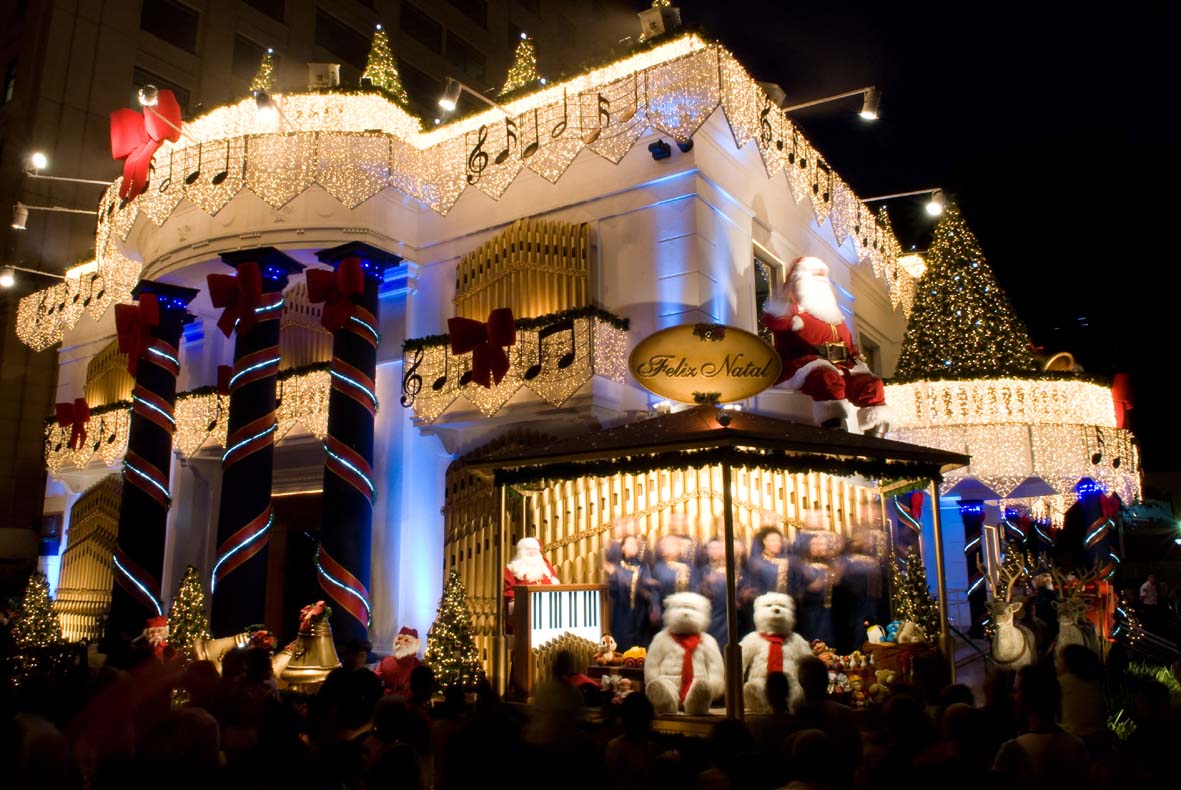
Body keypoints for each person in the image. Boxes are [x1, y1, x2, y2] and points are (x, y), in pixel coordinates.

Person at [762, 255, 890, 436]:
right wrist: (781, 302)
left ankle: (876, 439)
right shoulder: (794, 315)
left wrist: (859, 362)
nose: (821, 283)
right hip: (808, 367)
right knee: (828, 379)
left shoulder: (837, 320)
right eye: (816, 278)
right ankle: (834, 429)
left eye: (823, 279)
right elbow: (774, 321)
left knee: (871, 385)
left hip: (843, 366)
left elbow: (850, 347)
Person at [991, 664, 1090, 788]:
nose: (1011, 697)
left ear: (1030, 698)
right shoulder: (1077, 745)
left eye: (1016, 691)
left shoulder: (1012, 751)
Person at [604, 535, 656, 651]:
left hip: (641, 616)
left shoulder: (644, 567)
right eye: (629, 543)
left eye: (635, 544)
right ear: (622, 548)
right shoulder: (617, 568)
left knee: (641, 652)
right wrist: (613, 575)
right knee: (623, 651)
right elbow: (613, 592)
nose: (633, 546)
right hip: (622, 615)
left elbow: (646, 590)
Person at [503, 536, 559, 618]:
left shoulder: (546, 566)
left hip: (550, 608)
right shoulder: (511, 569)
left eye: (535, 549)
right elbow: (509, 593)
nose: (532, 552)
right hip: (525, 612)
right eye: (528, 549)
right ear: (521, 552)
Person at [651, 534, 697, 602]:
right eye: (664, 545)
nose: (666, 547)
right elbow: (655, 591)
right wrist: (655, 605)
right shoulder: (658, 567)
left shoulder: (689, 566)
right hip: (666, 607)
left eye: (672, 544)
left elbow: (695, 587)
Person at [377, 627, 422, 697]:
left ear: (416, 644)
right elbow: (375, 679)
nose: (401, 642)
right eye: (399, 638)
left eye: (406, 640)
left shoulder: (418, 666)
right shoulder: (386, 661)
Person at [748, 526, 791, 597]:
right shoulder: (756, 562)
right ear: (764, 541)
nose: (777, 544)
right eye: (773, 541)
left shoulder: (788, 561)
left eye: (779, 541)